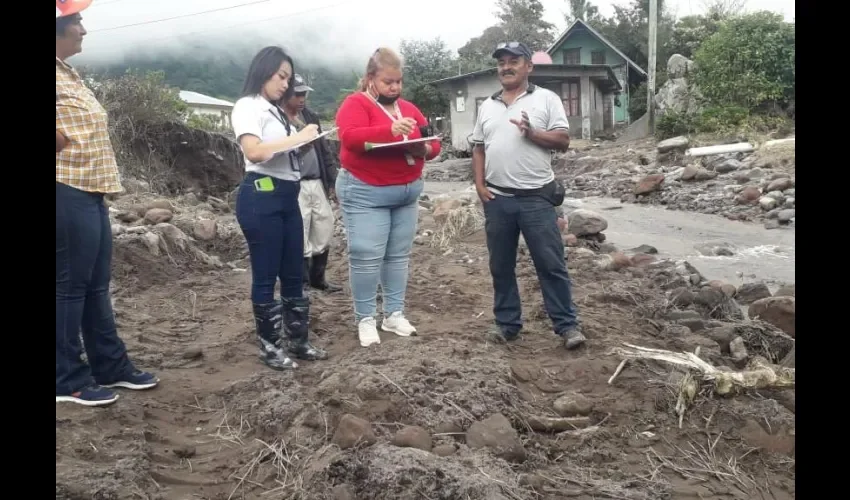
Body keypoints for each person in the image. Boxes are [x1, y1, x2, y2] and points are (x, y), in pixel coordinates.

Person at [56, 0, 159, 407]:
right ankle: (66, 378)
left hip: (91, 189)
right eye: (77, 22)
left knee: (95, 284)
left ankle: (110, 366)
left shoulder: (68, 73)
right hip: (64, 187)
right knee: (69, 286)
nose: (83, 29)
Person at [470, 41, 587, 350]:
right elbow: (478, 147)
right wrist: (480, 186)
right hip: (497, 200)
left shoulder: (546, 99)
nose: (506, 67)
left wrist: (533, 133)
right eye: (501, 62)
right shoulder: (487, 105)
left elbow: (563, 140)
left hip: (537, 198)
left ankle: (566, 325)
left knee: (550, 263)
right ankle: (507, 324)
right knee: (501, 265)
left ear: (528, 67)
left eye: (513, 61)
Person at [335, 47, 441, 347]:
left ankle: (393, 313)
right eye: (387, 82)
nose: (394, 88)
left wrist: (425, 149)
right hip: (367, 191)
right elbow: (351, 138)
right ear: (371, 79)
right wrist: (391, 131)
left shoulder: (408, 107)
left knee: (397, 256)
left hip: (406, 193)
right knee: (367, 257)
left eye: (398, 82)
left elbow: (432, 141)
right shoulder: (355, 104)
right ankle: (365, 318)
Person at [231, 47, 329, 369]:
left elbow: (282, 154)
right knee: (265, 275)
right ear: (264, 71)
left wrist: (302, 141)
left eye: (288, 78)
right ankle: (270, 348)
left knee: (292, 273)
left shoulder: (275, 111)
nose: (286, 85)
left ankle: (298, 341)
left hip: (287, 197)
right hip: (261, 197)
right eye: (281, 76)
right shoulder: (248, 107)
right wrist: (298, 136)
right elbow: (255, 151)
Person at [279, 74, 342, 293]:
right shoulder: (278, 119)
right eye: (297, 94)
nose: (302, 98)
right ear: (286, 93)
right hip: (295, 184)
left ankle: (318, 277)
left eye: (304, 94)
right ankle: (302, 281)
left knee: (324, 225)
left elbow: (325, 151)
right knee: (300, 230)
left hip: (317, 181)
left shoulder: (310, 116)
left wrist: (333, 180)